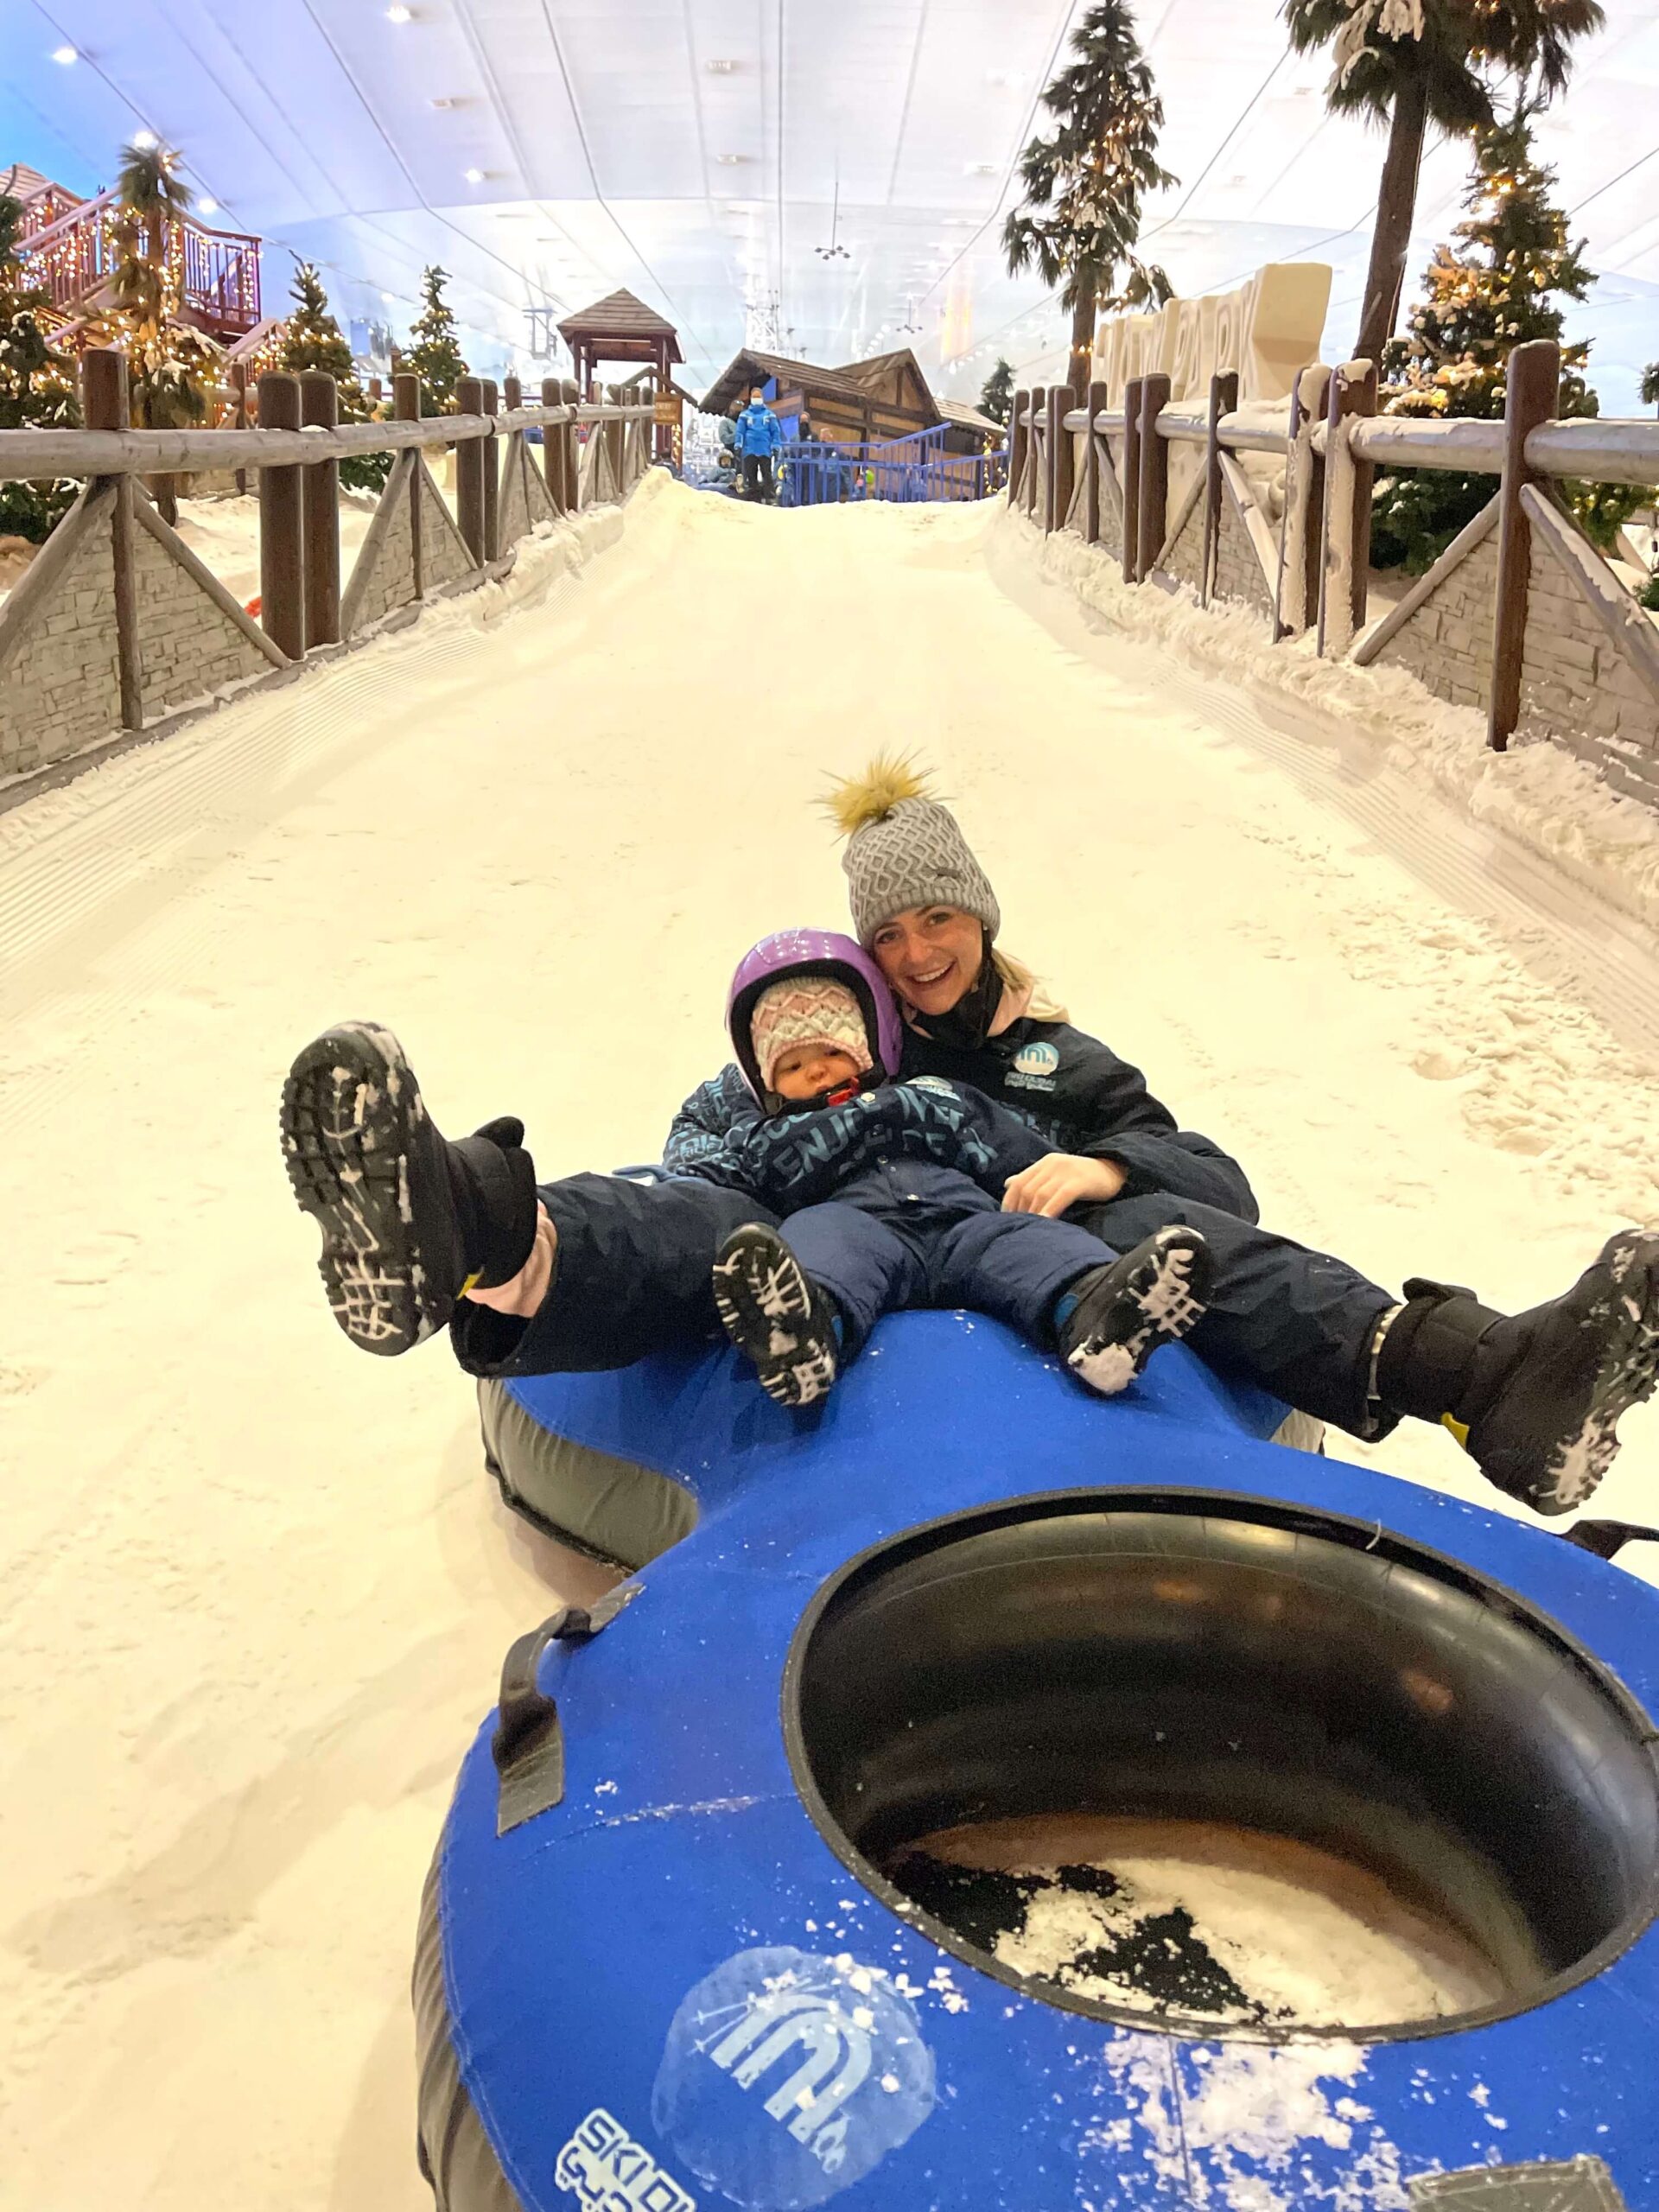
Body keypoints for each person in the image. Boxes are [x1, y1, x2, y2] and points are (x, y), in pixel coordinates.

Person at [664, 756, 1659, 1516]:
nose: (919, 953)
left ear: (979, 915)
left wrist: (1099, 1167)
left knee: (1162, 1219)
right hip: (876, 1282)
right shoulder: (830, 1049)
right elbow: (707, 1149)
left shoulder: (1055, 1057)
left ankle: (1485, 1379)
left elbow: (1216, 1179)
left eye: (938, 918)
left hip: (1059, 1279)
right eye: (889, 936)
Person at [686, 931, 1211, 1407]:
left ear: (868, 1045)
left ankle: (1101, 1316)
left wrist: (1057, 1178)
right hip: (857, 1222)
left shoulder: (929, 1095)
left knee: (1030, 1243)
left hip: (965, 1219)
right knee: (817, 1242)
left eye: (830, 1050)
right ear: (767, 1084)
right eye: (793, 1066)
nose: (817, 1068)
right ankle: (804, 1335)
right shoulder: (765, 1137)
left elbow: (1008, 1147)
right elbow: (722, 1178)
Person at [733, 383, 783, 503]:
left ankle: (770, 498)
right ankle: (754, 499)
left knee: (767, 475)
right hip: (749, 450)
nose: (756, 399)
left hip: (765, 449)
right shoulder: (744, 415)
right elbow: (740, 431)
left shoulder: (769, 415)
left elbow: (775, 431)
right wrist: (738, 444)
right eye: (754, 397)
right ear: (751, 398)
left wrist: (776, 445)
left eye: (758, 396)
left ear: (762, 398)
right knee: (751, 475)